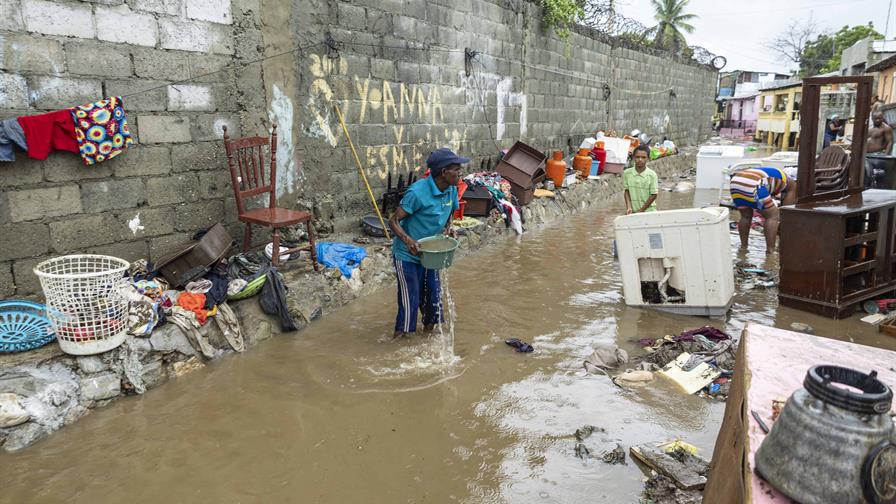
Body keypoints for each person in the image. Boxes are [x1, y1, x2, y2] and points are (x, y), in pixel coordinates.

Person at [388, 148, 465, 339]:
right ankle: (399, 345)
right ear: (443, 172)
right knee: (410, 303)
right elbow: (393, 220)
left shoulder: (451, 190)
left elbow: (449, 214)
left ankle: (427, 339)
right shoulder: (417, 193)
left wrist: (448, 228)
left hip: (431, 253)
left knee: (433, 300)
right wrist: (408, 241)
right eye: (456, 169)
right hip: (408, 255)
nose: (460, 173)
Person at [730, 167, 796, 254]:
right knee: (773, 216)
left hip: (736, 182)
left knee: (745, 216)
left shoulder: (776, 175)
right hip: (755, 182)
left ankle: (743, 247)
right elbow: (787, 211)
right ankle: (770, 251)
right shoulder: (792, 185)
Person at [623, 144, 658, 214]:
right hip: (634, 211)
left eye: (643, 157)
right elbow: (626, 191)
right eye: (637, 157)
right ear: (633, 157)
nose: (640, 160)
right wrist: (629, 207)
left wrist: (641, 211)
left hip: (649, 211)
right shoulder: (627, 173)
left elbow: (654, 195)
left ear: (648, 158)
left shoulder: (652, 175)